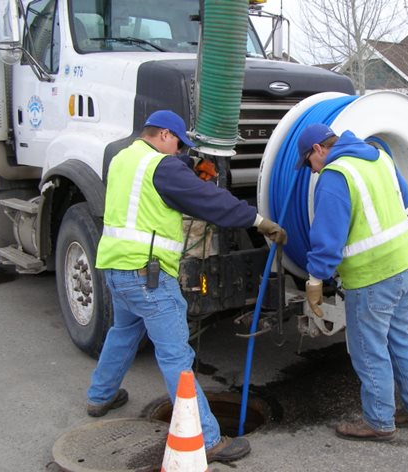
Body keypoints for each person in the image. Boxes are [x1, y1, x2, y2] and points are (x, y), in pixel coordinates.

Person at [86, 110, 286, 463]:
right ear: (164, 134)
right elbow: (209, 201)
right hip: (148, 277)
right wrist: (258, 220)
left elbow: (149, 201)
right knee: (176, 357)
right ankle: (207, 439)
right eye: (178, 143)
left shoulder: (122, 158)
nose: (180, 151)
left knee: (123, 331)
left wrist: (186, 176)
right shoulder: (163, 166)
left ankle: (100, 396)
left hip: (115, 268)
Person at [297, 123, 408, 442]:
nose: (310, 170)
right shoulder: (378, 156)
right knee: (400, 337)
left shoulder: (335, 175)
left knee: (368, 349)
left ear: (318, 150)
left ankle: (378, 421)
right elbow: (401, 200)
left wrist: (316, 279)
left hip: (373, 276)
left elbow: (328, 238)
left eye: (308, 163)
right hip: (407, 266)